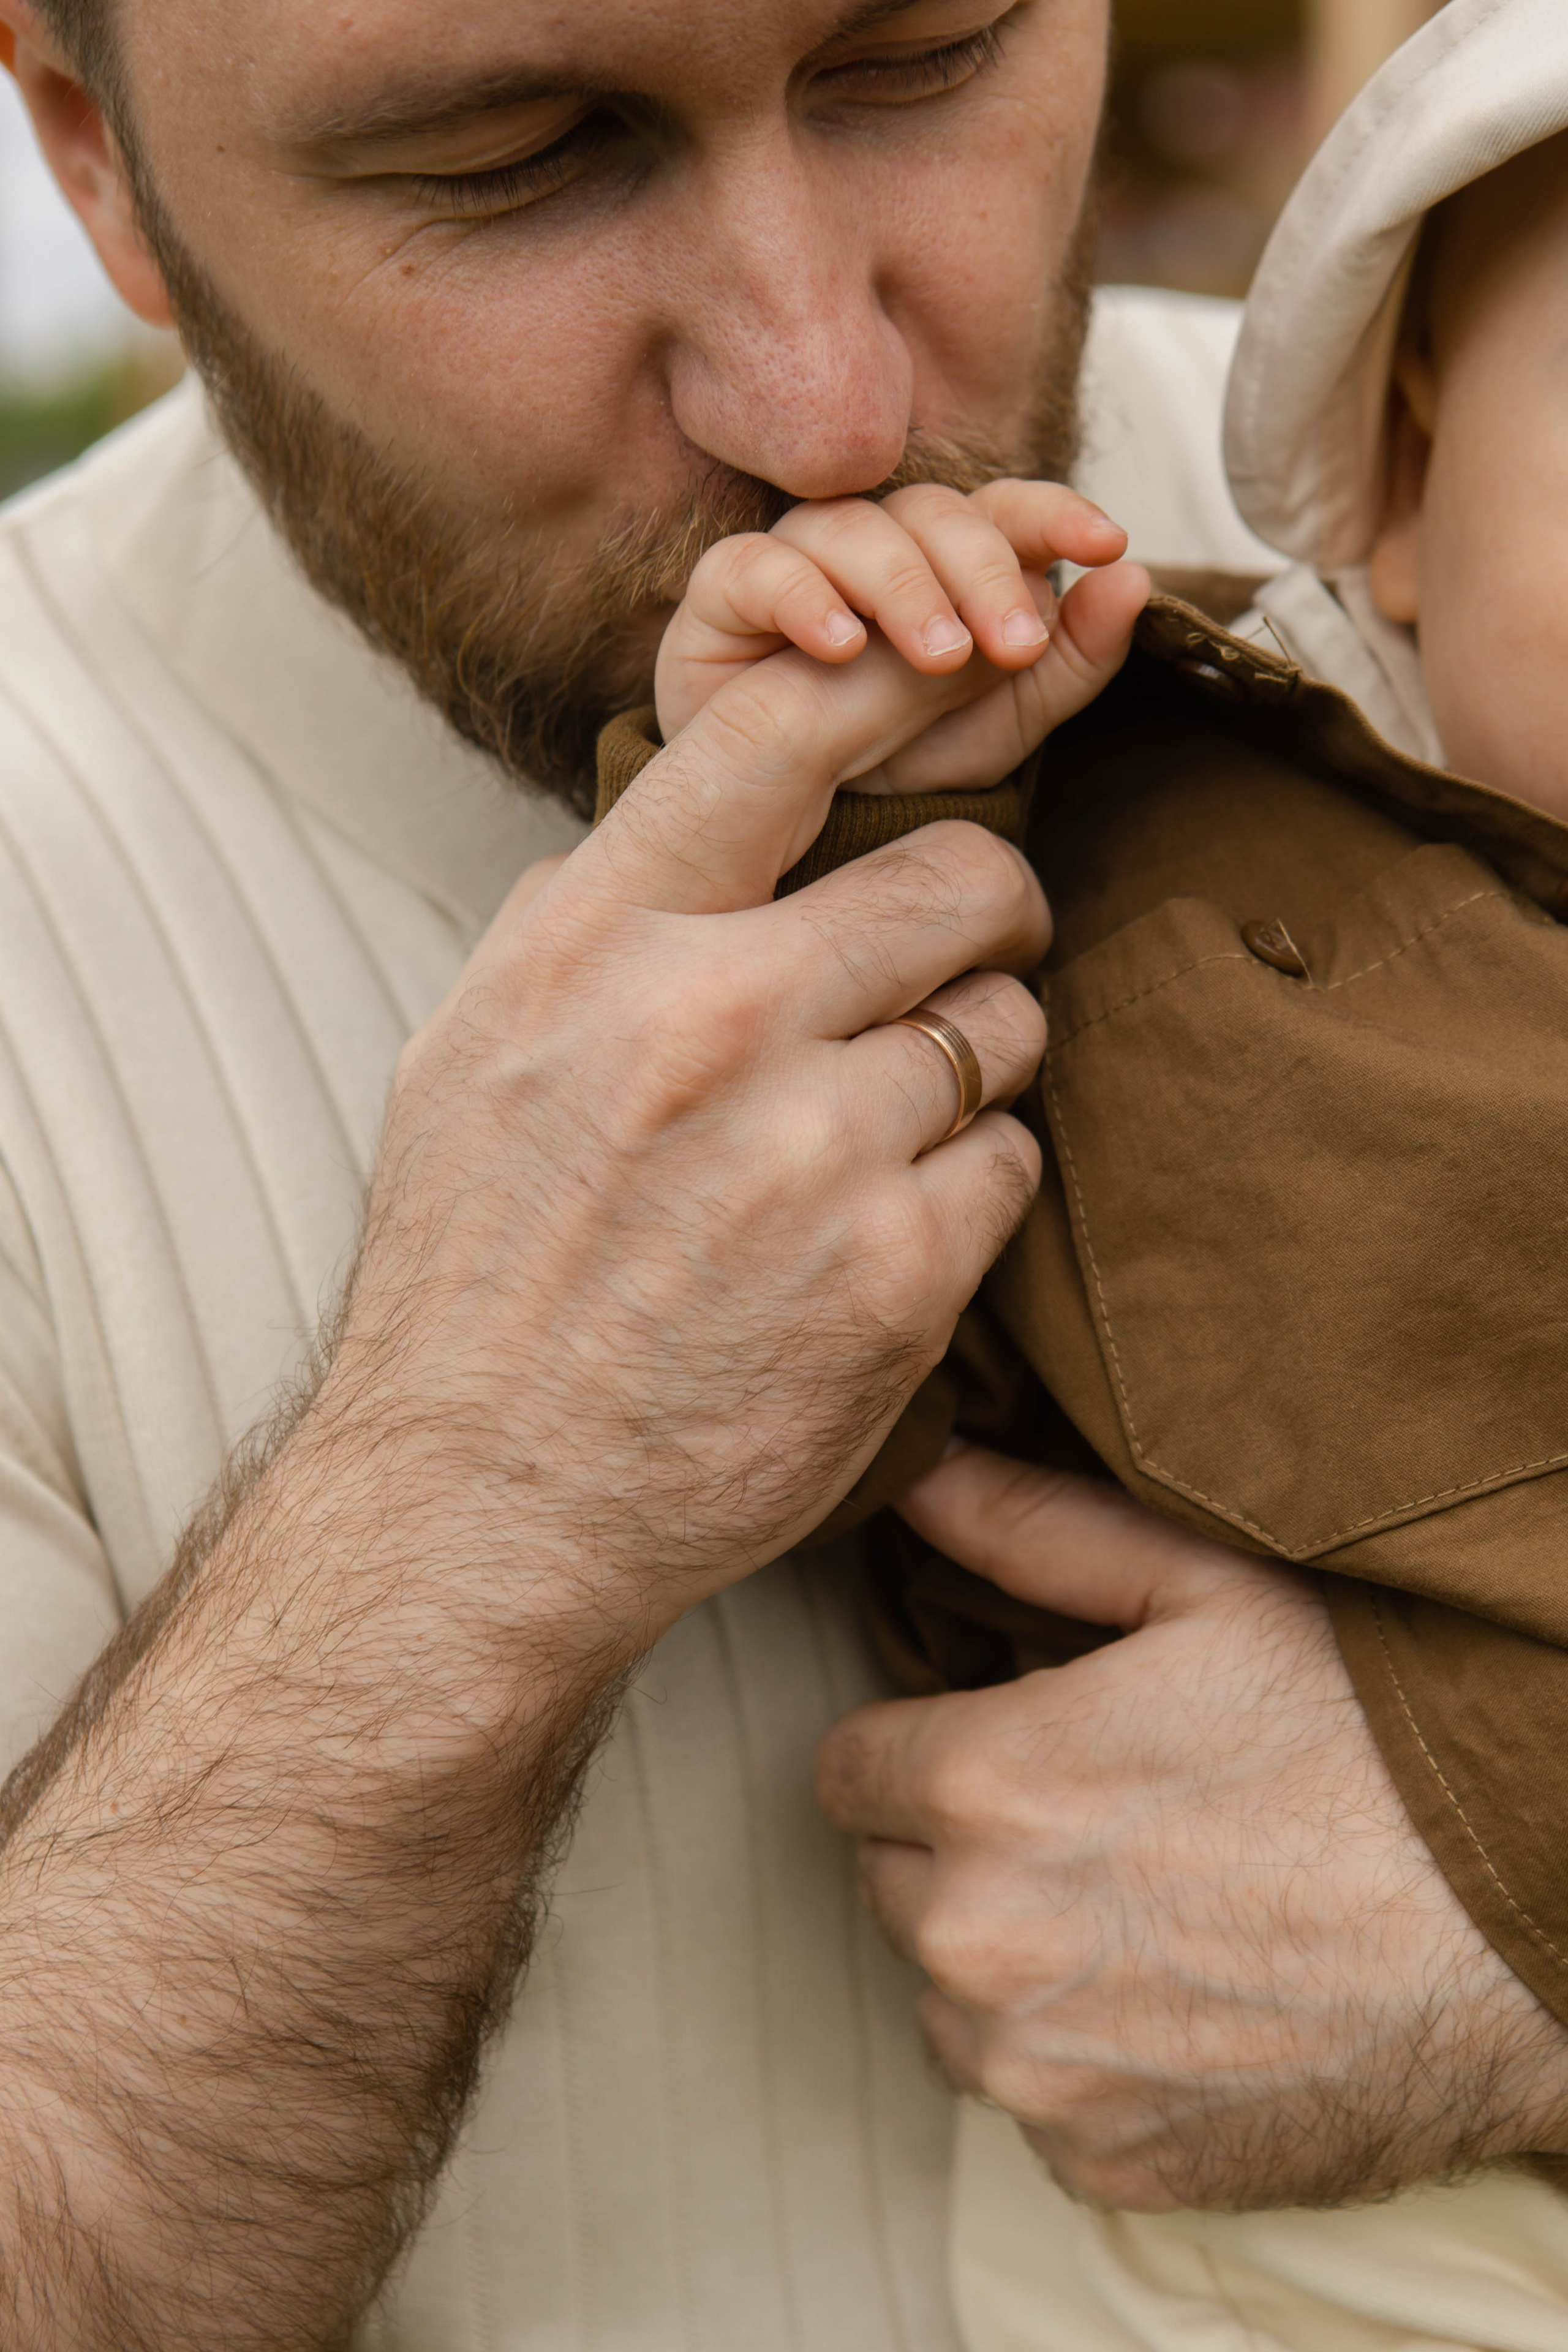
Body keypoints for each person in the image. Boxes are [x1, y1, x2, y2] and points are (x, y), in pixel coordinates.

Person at [0, 2, 1562, 2349]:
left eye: (926, 53)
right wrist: (467, 1498)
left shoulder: (1503, 484)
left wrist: (1523, 1888)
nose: (827, 401)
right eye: (516, 156)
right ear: (85, 148)